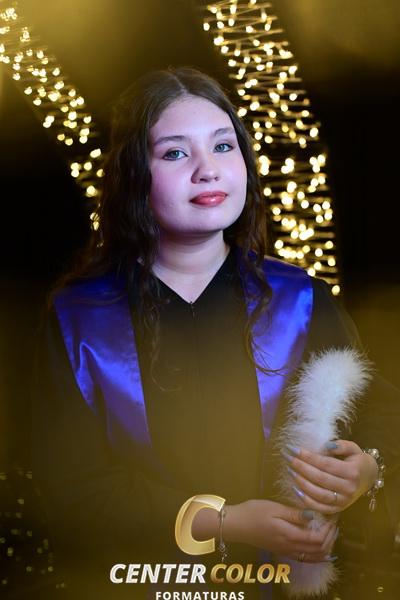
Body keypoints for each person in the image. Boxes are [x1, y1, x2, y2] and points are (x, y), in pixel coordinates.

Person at [32, 66, 400, 600]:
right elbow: (69, 489)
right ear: (134, 174)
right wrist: (224, 522)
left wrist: (366, 469)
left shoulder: (299, 302)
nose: (208, 170)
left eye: (224, 146)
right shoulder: (79, 321)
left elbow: (381, 414)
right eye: (175, 153)